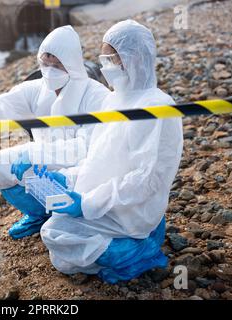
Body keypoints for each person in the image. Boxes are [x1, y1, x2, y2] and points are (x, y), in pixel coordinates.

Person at [38, 20, 184, 283]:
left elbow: (147, 180)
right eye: (103, 58)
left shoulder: (157, 106)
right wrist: (68, 179)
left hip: (132, 206)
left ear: (134, 58)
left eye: (110, 58)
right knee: (59, 251)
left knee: (55, 234)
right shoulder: (112, 100)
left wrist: (88, 203)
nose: (105, 66)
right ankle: (123, 245)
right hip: (104, 196)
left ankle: (140, 249)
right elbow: (97, 156)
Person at [0, 26, 110, 240]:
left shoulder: (96, 95)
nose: (50, 70)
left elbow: (88, 147)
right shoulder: (37, 88)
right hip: (43, 159)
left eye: (58, 65)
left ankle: (68, 213)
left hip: (83, 167)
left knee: (66, 233)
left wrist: (36, 154)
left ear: (71, 64)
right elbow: (3, 107)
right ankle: (38, 215)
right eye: (46, 63)